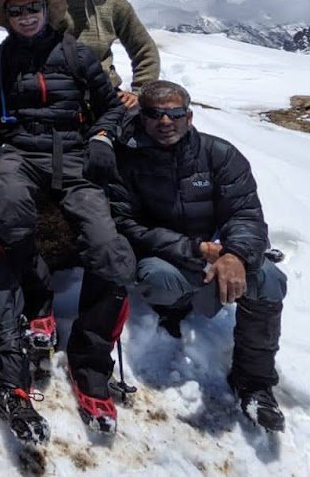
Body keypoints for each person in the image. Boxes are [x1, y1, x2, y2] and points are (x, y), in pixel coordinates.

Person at [0, 0, 135, 440]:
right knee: (11, 216)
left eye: (32, 8)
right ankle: (39, 302)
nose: (25, 16)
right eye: (16, 12)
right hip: (18, 150)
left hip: (73, 153)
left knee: (109, 253)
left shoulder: (77, 54)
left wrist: (100, 137)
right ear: (8, 18)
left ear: (46, 9)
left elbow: (111, 109)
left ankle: (90, 362)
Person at [110, 80, 287, 432]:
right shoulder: (125, 161)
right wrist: (193, 249)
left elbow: (246, 214)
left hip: (221, 250)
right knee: (158, 280)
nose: (165, 122)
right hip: (167, 254)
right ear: (141, 117)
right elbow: (127, 224)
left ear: (189, 117)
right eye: (154, 114)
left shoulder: (220, 155)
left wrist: (235, 254)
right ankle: (176, 309)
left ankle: (254, 382)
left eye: (174, 113)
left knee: (270, 280)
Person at [52, 0, 159, 109]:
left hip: (105, 88)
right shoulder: (54, 2)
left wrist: (140, 91)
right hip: (61, 88)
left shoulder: (115, 4)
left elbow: (144, 48)